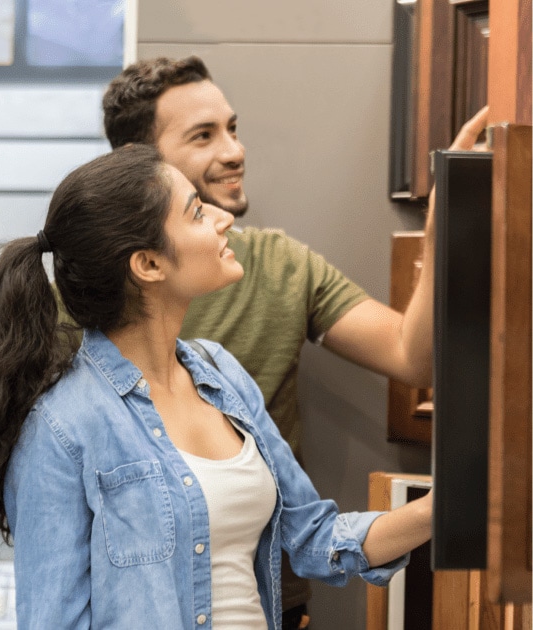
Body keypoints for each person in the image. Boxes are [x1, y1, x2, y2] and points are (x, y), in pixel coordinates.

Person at [0, 143, 433, 629]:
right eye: (197, 213)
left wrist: (442, 509)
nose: (223, 219)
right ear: (148, 265)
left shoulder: (222, 374)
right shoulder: (62, 429)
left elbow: (315, 539)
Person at [100, 56, 489, 628]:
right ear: (139, 166)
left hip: (272, 602)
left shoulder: (277, 266)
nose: (234, 151)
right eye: (203, 136)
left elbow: (414, 356)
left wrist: (447, 219)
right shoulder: (82, 301)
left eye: (232, 128)